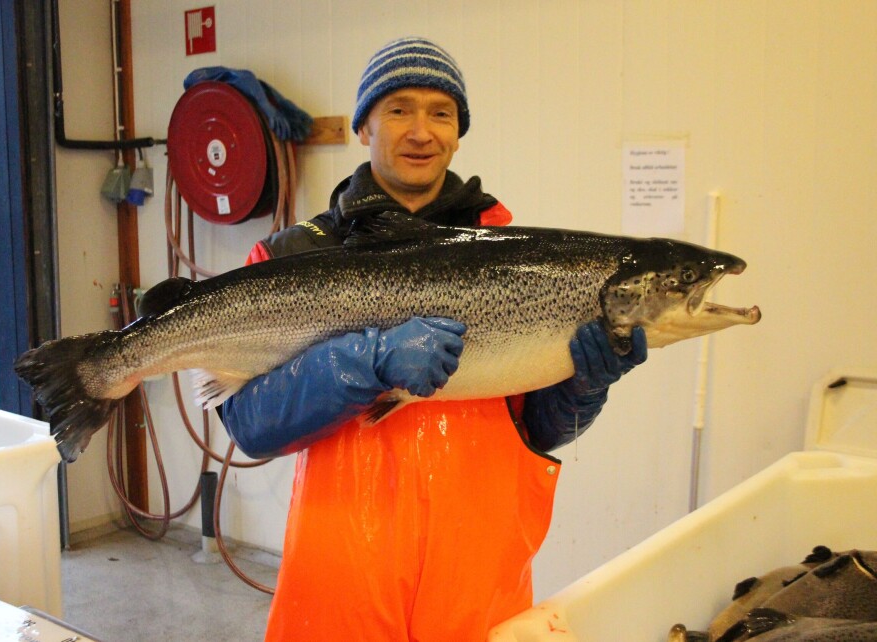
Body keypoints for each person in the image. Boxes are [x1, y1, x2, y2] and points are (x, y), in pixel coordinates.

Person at [219, 37, 647, 642]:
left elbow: (537, 429)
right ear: (364, 125)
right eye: (399, 109)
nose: (421, 131)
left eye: (441, 113)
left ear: (458, 132)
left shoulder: (520, 262)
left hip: (478, 583)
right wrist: (364, 360)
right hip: (343, 585)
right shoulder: (291, 258)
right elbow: (250, 424)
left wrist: (582, 387)